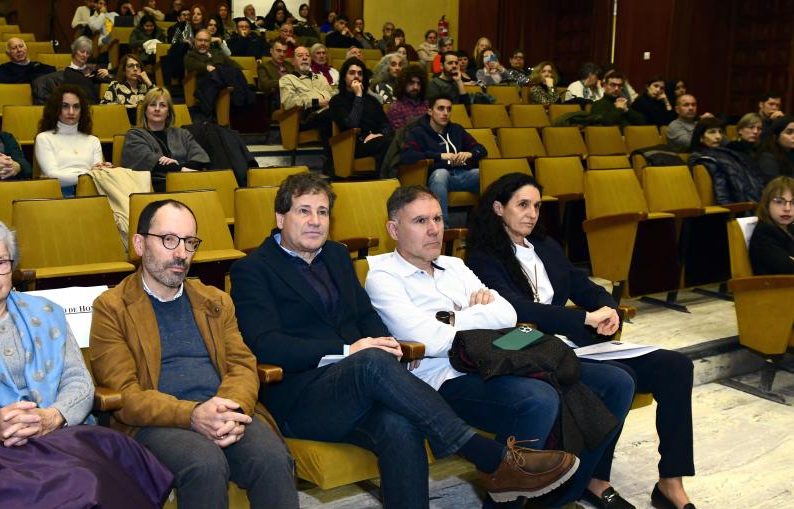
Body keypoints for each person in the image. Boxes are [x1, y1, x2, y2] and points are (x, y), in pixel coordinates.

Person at [229, 172, 581, 507]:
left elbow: (364, 315)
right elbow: (266, 343)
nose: (315, 221)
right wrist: (350, 350)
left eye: (322, 212)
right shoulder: (252, 269)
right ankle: (488, 457)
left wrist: (387, 343)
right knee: (369, 360)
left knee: (401, 425)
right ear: (280, 218)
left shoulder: (335, 255)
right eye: (303, 211)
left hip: (361, 387)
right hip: (301, 398)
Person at [368, 184, 637, 509]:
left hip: (499, 359)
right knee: (537, 399)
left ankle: (559, 498)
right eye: (420, 221)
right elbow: (427, 340)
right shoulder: (382, 275)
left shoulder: (454, 265)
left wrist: (453, 319)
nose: (434, 229)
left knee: (618, 383)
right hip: (443, 379)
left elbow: (507, 312)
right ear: (394, 229)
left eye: (438, 219)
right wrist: (475, 314)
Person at [465, 173, 697, 509]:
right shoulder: (482, 257)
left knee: (676, 367)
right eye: (523, 205)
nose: (532, 213)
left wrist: (608, 307)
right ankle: (595, 478)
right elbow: (515, 310)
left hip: (571, 341)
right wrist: (582, 319)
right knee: (620, 378)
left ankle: (670, 482)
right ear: (499, 208)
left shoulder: (545, 246)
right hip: (526, 346)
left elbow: (580, 282)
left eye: (537, 206)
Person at [0, 219, 173, 508]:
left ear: (12, 270)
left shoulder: (47, 315)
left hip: (57, 438)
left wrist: (53, 416)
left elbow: (78, 382)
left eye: (1, 262)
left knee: (92, 479)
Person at [89, 200, 299, 509]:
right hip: (156, 423)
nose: (181, 254)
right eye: (169, 240)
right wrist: (193, 414)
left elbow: (242, 365)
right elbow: (125, 395)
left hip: (224, 411)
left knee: (271, 457)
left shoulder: (214, 301)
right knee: (204, 464)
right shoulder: (112, 307)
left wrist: (230, 408)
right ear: (139, 243)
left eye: (190, 242)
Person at [402, 94, 486, 226]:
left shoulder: (456, 130)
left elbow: (481, 149)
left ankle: (485, 227)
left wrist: (469, 154)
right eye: (440, 108)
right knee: (441, 173)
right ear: (430, 111)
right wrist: (440, 156)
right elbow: (408, 155)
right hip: (436, 178)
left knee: (484, 175)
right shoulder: (418, 132)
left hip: (461, 175)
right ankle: (442, 229)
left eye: (448, 109)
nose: (445, 113)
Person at [122, 87, 210, 191]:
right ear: (145, 110)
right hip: (152, 187)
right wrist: (181, 169)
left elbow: (200, 158)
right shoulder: (134, 135)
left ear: (168, 112)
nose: (157, 109)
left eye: (162, 105)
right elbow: (147, 162)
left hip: (188, 182)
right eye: (153, 105)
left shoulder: (182, 134)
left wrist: (178, 166)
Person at [36, 84, 110, 196]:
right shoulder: (44, 138)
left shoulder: (93, 140)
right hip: (59, 196)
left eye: (76, 107)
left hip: (90, 194)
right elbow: (52, 177)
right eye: (65, 106)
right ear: (56, 108)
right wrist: (89, 173)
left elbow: (98, 176)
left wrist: (100, 172)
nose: (71, 112)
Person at [330, 57, 392, 170]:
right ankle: (383, 179)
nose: (356, 76)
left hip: (376, 140)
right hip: (352, 144)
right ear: (344, 77)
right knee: (387, 144)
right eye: (352, 73)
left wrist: (379, 135)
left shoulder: (372, 100)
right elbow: (351, 125)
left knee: (397, 140)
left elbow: (386, 124)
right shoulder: (337, 100)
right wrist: (358, 95)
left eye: (360, 73)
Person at [689, 115, 763, 205]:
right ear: (701, 137)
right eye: (712, 132)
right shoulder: (697, 159)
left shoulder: (727, 154)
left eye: (720, 132)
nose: (718, 136)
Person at [749, 176, 794, 274]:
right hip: (776, 288)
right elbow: (789, 269)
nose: (787, 208)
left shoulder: (790, 227)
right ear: (766, 204)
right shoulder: (764, 233)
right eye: (779, 202)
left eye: (793, 203)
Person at [101, 53, 155, 123]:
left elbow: (160, 102)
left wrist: (148, 82)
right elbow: (103, 106)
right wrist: (124, 107)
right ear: (124, 70)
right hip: (122, 126)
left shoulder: (146, 86)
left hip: (145, 127)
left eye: (138, 66)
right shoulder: (115, 86)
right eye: (131, 66)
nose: (135, 69)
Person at [63, 35, 112, 103]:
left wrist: (108, 75)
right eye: (82, 51)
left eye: (88, 53)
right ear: (74, 51)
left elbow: (111, 80)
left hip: (94, 104)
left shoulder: (92, 69)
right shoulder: (67, 71)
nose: (85, 55)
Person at [387, 63, 429, 129]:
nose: (415, 87)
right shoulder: (396, 107)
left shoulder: (426, 104)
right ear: (403, 83)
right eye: (411, 83)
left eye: (419, 83)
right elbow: (401, 135)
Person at [755, 115, 794, 185]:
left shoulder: (790, 152)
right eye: (789, 132)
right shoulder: (767, 158)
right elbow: (775, 188)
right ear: (775, 137)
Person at [258, 39, 294, 110]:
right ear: (271, 51)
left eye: (284, 52)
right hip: (276, 97)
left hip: (293, 94)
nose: (282, 54)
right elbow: (266, 84)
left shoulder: (289, 65)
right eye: (278, 51)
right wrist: (285, 82)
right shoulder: (264, 66)